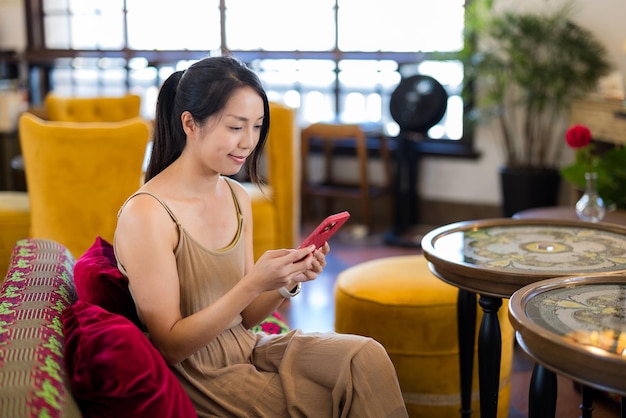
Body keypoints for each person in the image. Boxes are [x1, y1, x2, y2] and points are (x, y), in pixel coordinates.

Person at [114, 55, 408, 418]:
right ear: (189, 123)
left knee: (365, 357)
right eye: (236, 127)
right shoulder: (147, 214)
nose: (249, 142)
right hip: (200, 376)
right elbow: (170, 345)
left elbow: (245, 317)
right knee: (326, 404)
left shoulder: (237, 197)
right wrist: (252, 283)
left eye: (257, 126)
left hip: (248, 347)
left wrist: (286, 279)